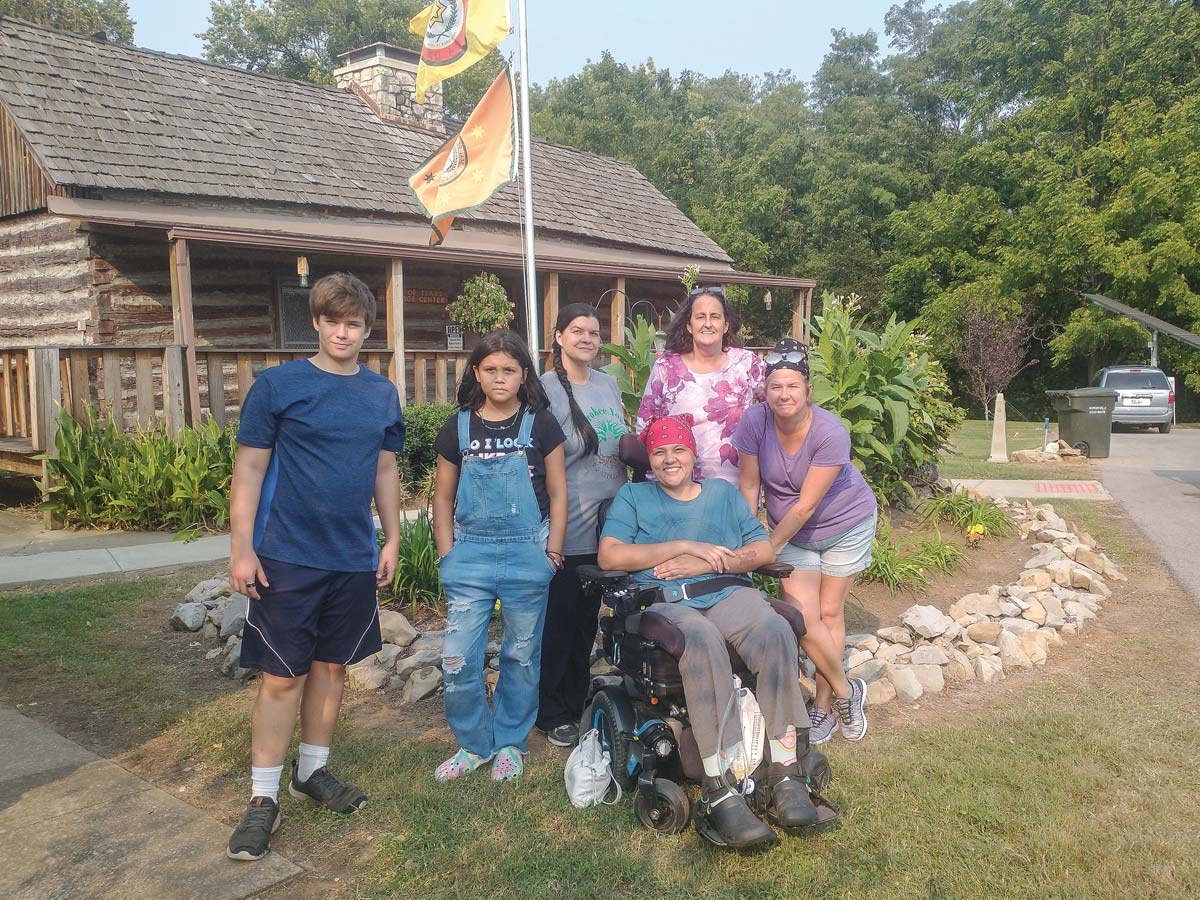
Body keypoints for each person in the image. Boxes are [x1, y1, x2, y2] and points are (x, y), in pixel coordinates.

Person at [226, 272, 405, 862]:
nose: (343, 332)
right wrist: (242, 547)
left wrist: (392, 537)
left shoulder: (381, 394)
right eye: (334, 321)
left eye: (354, 324)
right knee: (283, 677)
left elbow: (384, 471)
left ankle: (314, 771)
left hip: (350, 556)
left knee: (331, 669)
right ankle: (262, 799)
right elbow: (250, 469)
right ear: (318, 323)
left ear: (367, 330)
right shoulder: (278, 386)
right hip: (285, 554)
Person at [599, 415, 818, 850]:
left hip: (727, 591)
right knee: (701, 640)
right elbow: (610, 555)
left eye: (678, 450)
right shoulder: (634, 496)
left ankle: (786, 772)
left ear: (693, 454)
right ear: (650, 460)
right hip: (668, 601)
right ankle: (719, 784)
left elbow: (763, 548)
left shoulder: (720, 494)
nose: (669, 459)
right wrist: (683, 546)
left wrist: (712, 562)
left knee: (775, 629)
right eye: (659, 452)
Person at [431, 329, 567, 782]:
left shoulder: (541, 424)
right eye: (490, 369)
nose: (500, 377)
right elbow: (442, 498)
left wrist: (553, 553)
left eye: (509, 370)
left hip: (528, 552)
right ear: (476, 372)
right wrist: (448, 555)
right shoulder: (458, 427)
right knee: (456, 657)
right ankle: (474, 745)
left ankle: (510, 741)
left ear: (524, 374)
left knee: (521, 655)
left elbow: (558, 494)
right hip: (469, 556)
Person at [732, 338, 876, 744]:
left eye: (792, 386)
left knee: (829, 613)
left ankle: (824, 709)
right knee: (802, 617)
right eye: (775, 386)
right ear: (765, 391)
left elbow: (805, 508)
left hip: (844, 523)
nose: (784, 395)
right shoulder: (753, 422)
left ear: (808, 391)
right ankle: (850, 691)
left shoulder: (831, 432)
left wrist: (766, 548)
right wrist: (750, 533)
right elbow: (748, 486)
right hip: (789, 531)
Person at [536, 303, 628, 747]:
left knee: (587, 621)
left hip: (609, 526)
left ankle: (574, 700)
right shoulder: (545, 388)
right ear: (558, 336)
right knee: (559, 620)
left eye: (594, 332)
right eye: (577, 331)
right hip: (567, 525)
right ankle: (550, 710)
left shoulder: (609, 384)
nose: (587, 339)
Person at [635, 286, 765, 485]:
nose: (707, 324)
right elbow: (646, 426)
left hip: (736, 485)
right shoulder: (667, 366)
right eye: (700, 317)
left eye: (715, 317)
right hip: (677, 485)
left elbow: (777, 407)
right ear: (689, 325)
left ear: (726, 325)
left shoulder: (747, 363)